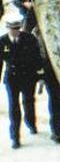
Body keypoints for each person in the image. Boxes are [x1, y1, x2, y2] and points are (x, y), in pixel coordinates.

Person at [0, 14, 44, 148]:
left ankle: (31, 123)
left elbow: (37, 58)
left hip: (27, 76)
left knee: (29, 101)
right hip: (12, 78)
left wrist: (41, 76)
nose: (15, 31)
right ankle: (15, 137)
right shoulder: (2, 41)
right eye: (13, 29)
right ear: (8, 28)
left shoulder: (29, 39)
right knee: (14, 106)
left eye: (17, 28)